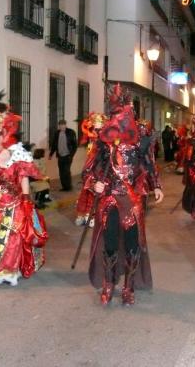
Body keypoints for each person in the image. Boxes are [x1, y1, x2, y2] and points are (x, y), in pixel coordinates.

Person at [88, 84, 164, 306]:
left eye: (124, 110)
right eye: (116, 111)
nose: (120, 115)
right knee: (110, 242)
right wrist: (96, 184)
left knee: (132, 242)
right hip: (110, 197)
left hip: (133, 198)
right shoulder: (104, 136)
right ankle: (109, 283)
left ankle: (129, 286)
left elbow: (148, 162)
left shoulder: (142, 135)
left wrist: (156, 185)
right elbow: (92, 168)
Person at [0, 107, 48, 286]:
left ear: (3, 136)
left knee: (13, 241)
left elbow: (23, 177)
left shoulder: (15, 155)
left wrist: (26, 199)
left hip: (14, 206)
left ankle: (8, 271)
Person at [75, 112, 107, 226]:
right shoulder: (92, 135)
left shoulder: (104, 135)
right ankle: (85, 214)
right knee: (88, 187)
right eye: (96, 122)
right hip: (92, 162)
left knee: (98, 188)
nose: (97, 124)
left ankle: (94, 215)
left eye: (99, 122)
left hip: (101, 164)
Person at [49, 119, 77, 191]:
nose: (62, 127)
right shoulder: (57, 133)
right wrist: (51, 154)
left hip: (68, 155)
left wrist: (71, 155)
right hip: (60, 156)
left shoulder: (71, 132)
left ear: (65, 125)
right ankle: (64, 187)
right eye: (60, 126)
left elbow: (75, 145)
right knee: (61, 172)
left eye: (63, 125)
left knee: (66, 171)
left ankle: (68, 186)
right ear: (59, 126)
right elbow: (54, 144)